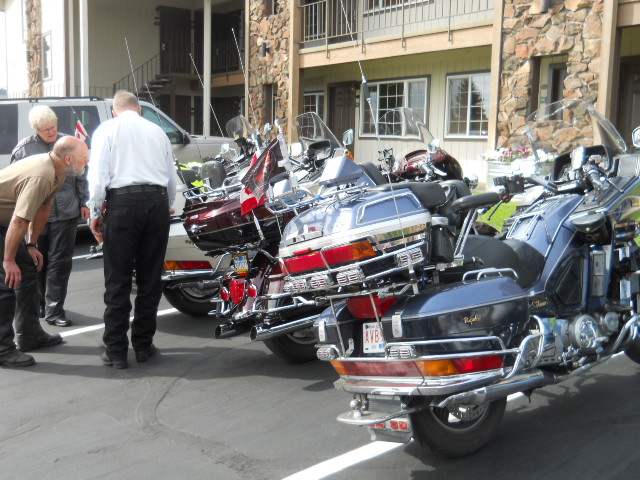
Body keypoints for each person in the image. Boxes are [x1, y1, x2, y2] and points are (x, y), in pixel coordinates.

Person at [88, 91, 175, 369]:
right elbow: (170, 174)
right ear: (139, 110)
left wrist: (95, 211)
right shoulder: (157, 131)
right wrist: (167, 204)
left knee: (118, 278)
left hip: (122, 204)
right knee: (150, 278)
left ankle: (115, 350)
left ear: (115, 111)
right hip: (156, 202)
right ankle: (143, 345)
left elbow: (98, 175)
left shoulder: (107, 129)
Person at [0, 136, 89, 367]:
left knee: (28, 270)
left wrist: (32, 245)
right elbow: (19, 220)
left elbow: (43, 209)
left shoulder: (58, 171)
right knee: (7, 281)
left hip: (6, 223)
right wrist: (8, 260)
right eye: (84, 157)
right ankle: (3, 349)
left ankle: (30, 335)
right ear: (68, 159)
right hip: (7, 223)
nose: (87, 160)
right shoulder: (42, 175)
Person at [11, 105, 90, 327]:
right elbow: (17, 182)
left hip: (67, 212)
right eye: (46, 129)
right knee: (37, 261)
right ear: (36, 129)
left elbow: (81, 174)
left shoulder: (68, 143)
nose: (51, 132)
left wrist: (84, 201)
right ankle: (40, 304)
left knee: (60, 263)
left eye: (53, 127)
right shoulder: (24, 149)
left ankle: (54, 310)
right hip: (37, 214)